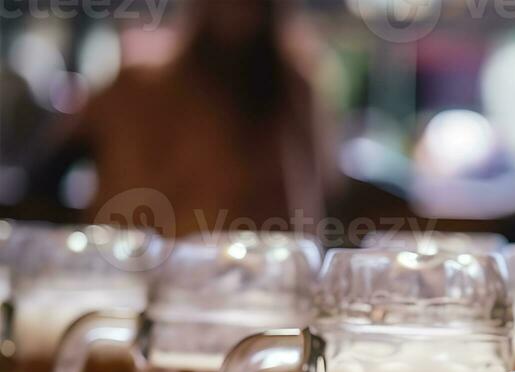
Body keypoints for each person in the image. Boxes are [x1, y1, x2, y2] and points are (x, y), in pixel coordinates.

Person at [25, 0, 338, 237]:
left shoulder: (293, 94)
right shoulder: (135, 88)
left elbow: (308, 211)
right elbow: (45, 177)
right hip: (129, 289)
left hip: (246, 294)